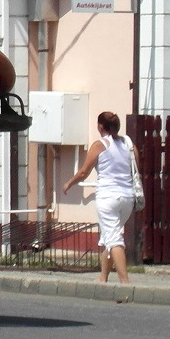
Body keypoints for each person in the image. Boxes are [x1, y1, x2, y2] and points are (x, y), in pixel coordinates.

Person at [63, 111, 139, 284]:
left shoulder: (100, 145)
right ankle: (103, 278)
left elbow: (84, 172)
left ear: (100, 126)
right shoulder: (128, 143)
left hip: (108, 197)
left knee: (114, 239)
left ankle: (125, 283)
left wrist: (69, 183)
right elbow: (136, 169)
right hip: (127, 197)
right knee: (108, 237)